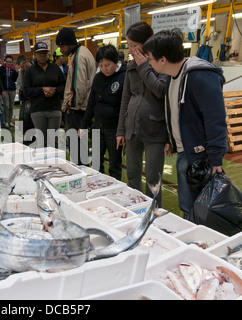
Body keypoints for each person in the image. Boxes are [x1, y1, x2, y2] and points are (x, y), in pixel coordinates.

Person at [143, 28, 228, 218]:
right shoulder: (173, 77)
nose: (148, 62)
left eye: (149, 58)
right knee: (187, 204)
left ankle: (200, 242)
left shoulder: (199, 76)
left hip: (200, 156)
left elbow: (216, 118)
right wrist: (170, 140)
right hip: (185, 152)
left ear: (162, 59)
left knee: (200, 208)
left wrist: (216, 157)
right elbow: (174, 112)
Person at [115, 21, 169, 207]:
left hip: (155, 128)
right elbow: (125, 98)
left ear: (146, 43)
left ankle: (154, 212)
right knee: (132, 172)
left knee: (153, 177)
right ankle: (136, 208)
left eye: (133, 45)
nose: (130, 49)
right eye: (128, 45)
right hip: (132, 128)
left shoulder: (160, 63)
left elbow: (160, 91)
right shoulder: (130, 66)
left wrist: (144, 66)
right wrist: (121, 130)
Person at [79, 45, 126, 181]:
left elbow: (125, 106)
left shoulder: (124, 76)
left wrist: (122, 131)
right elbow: (91, 103)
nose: (105, 69)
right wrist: (84, 125)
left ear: (115, 62)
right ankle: (97, 185)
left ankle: (114, 189)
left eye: (108, 65)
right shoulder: (98, 77)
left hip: (114, 129)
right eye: (101, 65)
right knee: (96, 162)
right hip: (97, 126)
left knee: (114, 164)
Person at [56, 27, 96, 165]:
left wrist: (71, 106)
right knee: (82, 147)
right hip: (84, 108)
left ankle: (80, 174)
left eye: (61, 46)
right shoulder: (85, 52)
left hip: (77, 110)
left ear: (67, 43)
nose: (60, 50)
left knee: (76, 148)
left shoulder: (77, 57)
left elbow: (78, 87)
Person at [24, 42, 65, 148]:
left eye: (44, 53)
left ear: (48, 54)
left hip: (54, 110)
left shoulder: (55, 68)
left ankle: (55, 163)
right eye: (39, 53)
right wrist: (42, 89)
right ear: (35, 55)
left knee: (53, 141)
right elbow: (26, 91)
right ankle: (43, 164)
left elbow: (64, 86)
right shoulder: (30, 71)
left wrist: (54, 90)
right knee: (42, 141)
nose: (42, 55)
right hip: (38, 111)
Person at [16, 55, 34, 139]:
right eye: (20, 67)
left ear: (27, 62)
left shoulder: (34, 69)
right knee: (24, 116)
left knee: (31, 117)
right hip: (24, 97)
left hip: (33, 97)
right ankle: (26, 132)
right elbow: (19, 81)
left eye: (22, 66)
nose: (22, 68)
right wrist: (19, 89)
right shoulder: (21, 71)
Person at [0, 55, 18, 128]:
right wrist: (1, 90)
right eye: (7, 62)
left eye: (10, 62)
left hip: (12, 90)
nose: (8, 63)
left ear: (12, 62)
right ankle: (6, 121)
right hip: (5, 90)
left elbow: (15, 79)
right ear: (5, 61)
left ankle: (10, 121)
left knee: (11, 106)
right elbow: (0, 79)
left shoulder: (13, 70)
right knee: (6, 106)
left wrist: (16, 72)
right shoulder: (2, 69)